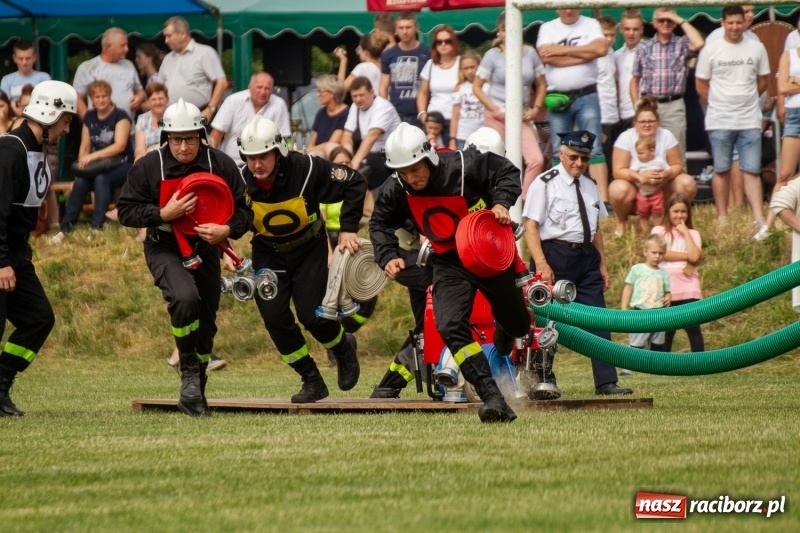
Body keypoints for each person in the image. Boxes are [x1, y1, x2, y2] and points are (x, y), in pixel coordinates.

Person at [370, 123, 530, 422]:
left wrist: (501, 201)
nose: (412, 178)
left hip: (487, 255)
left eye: (416, 169)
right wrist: (387, 255)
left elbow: (507, 171)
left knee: (519, 325)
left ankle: (506, 332)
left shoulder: (464, 165)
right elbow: (378, 224)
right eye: (404, 172)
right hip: (448, 262)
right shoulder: (397, 187)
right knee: (449, 326)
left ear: (429, 158)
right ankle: (492, 396)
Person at [116, 99, 252, 417]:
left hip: (207, 249)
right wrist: (162, 213)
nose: (183, 146)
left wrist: (226, 230)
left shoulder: (220, 163)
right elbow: (125, 211)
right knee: (185, 298)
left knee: (206, 322)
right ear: (166, 138)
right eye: (176, 139)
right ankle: (188, 370)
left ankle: (195, 392)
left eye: (190, 138)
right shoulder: (149, 166)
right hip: (164, 247)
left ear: (201, 136)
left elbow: (247, 211)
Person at [236, 116, 365, 403]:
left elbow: (355, 182)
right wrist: (226, 241)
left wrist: (348, 229)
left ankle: (343, 346)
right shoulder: (240, 180)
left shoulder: (306, 168)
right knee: (274, 318)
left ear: (278, 151)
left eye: (263, 157)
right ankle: (311, 379)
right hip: (267, 252)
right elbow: (228, 213)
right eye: (251, 157)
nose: (257, 165)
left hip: (308, 250)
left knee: (312, 316)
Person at [523, 130, 633, 398]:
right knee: (545, 320)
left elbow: (595, 228)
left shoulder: (590, 184)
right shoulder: (545, 183)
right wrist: (542, 264)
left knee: (598, 319)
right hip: (554, 255)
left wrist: (602, 263)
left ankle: (606, 382)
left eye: (584, 158)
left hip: (586, 259)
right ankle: (543, 379)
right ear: (561, 154)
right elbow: (530, 226)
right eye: (573, 157)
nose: (579, 163)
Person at [0, 80, 77, 416]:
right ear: (49, 116)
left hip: (17, 254)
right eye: (65, 120)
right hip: (3, 256)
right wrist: (2, 262)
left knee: (39, 318)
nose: (68, 128)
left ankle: (1, 383)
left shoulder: (35, 150)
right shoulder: (10, 150)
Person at [695, 5, 769, 228]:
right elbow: (700, 84)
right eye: (731, 23)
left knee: (751, 169)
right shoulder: (711, 49)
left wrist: (747, 100)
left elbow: (764, 80)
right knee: (721, 168)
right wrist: (719, 103)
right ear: (723, 23)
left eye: (739, 22)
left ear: (745, 22)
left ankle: (758, 218)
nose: (735, 27)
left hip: (749, 119)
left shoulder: (757, 48)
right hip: (719, 119)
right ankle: (722, 217)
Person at [537, 9, 610, 202]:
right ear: (556, 7)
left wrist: (561, 50)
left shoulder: (591, 24)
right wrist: (585, 53)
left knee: (594, 148)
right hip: (558, 97)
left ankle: (603, 201)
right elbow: (545, 56)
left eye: (572, 5)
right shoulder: (547, 27)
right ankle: (559, 197)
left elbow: (601, 50)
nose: (568, 10)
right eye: (564, 5)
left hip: (587, 93)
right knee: (558, 150)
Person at [51, 80, 133, 243]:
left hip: (122, 163)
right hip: (100, 166)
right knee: (81, 181)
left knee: (102, 178)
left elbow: (120, 145)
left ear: (110, 97)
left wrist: (93, 156)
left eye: (105, 96)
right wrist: (79, 173)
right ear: (92, 99)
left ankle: (97, 226)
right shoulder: (89, 116)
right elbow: (84, 148)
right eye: (97, 97)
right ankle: (65, 229)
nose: (101, 100)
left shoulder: (120, 116)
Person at [475, 11, 545, 199]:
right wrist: (494, 109)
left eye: (512, 28)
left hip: (521, 115)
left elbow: (541, 84)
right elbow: (477, 87)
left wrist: (535, 109)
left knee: (535, 160)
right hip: (497, 114)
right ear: (499, 32)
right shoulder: (492, 55)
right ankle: (494, 200)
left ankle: (521, 200)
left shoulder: (530, 53)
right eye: (504, 29)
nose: (509, 33)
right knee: (497, 160)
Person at [609, 97, 696, 236]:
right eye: (642, 122)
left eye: (651, 121)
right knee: (617, 189)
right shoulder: (625, 138)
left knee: (687, 183)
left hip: (662, 187)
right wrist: (639, 177)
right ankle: (622, 221)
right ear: (635, 123)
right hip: (636, 187)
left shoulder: (666, 135)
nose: (647, 125)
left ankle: (672, 220)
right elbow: (617, 171)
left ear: (658, 122)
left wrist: (666, 175)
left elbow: (678, 165)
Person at [630, 7, 704, 159]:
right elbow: (635, 79)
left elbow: (699, 43)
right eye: (661, 20)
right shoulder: (643, 46)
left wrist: (679, 19)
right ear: (654, 24)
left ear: (675, 23)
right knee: (647, 152)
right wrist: (637, 106)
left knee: (677, 153)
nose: (665, 23)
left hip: (674, 105)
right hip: (649, 104)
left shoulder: (682, 44)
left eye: (669, 20)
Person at [757, 44, 800, 240]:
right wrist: (789, 82)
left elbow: (788, 85)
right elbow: (782, 87)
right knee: (784, 174)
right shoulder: (788, 55)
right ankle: (768, 226)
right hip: (795, 115)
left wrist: (795, 81)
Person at [652, 192, 704, 352]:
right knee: (666, 330)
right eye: (676, 211)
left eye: (683, 211)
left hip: (689, 289)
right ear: (668, 211)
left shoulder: (694, 234)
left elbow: (696, 256)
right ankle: (660, 365)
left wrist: (686, 232)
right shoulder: (659, 231)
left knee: (693, 329)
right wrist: (688, 256)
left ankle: (700, 363)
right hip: (666, 289)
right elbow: (660, 252)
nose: (680, 215)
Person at [159, 16, 227, 124]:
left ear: (182, 34)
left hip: (197, 116)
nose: (166, 41)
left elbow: (222, 82)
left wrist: (210, 109)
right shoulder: (167, 58)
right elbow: (159, 87)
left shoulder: (205, 53)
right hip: (171, 117)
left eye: (169, 36)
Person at [210, 72, 290, 161]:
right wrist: (213, 162)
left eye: (267, 88)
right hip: (231, 163)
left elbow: (284, 139)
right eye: (259, 87)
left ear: (272, 90)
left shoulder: (279, 104)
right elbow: (216, 134)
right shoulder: (232, 101)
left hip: (265, 165)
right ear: (250, 87)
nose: (263, 92)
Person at [340, 77, 401, 192]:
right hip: (370, 155)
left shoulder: (382, 106)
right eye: (355, 96)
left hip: (390, 156)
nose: (358, 99)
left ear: (372, 93)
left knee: (369, 165)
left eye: (361, 95)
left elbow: (373, 135)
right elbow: (347, 134)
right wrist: (347, 155)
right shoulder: (355, 107)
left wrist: (354, 163)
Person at [72, 27, 144, 120]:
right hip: (100, 131)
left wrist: (139, 97)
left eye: (127, 45)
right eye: (122, 45)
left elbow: (140, 90)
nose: (127, 49)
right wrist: (89, 122)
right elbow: (77, 98)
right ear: (109, 46)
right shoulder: (87, 67)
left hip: (129, 130)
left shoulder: (129, 65)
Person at [620, 234, 671, 359]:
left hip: (659, 312)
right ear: (645, 252)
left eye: (661, 253)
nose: (657, 256)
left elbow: (667, 291)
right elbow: (628, 287)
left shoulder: (664, 273)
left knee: (658, 342)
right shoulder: (637, 269)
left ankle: (655, 366)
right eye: (654, 252)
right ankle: (629, 366)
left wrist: (668, 297)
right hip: (641, 311)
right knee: (637, 341)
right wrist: (624, 307)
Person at [379, 11, 431, 128]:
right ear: (396, 29)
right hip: (396, 113)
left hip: (421, 113)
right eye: (401, 28)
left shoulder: (428, 52)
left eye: (408, 27)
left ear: (416, 27)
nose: (405, 31)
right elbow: (383, 87)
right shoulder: (388, 54)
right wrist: (384, 111)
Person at [416, 24, 460, 147]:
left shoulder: (461, 63)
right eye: (439, 42)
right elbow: (423, 92)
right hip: (433, 121)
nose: (443, 44)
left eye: (447, 41)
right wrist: (422, 113)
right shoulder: (430, 64)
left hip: (456, 120)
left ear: (454, 43)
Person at [0, 39, 51, 117]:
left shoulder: (44, 77)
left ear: (34, 58)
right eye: (21, 58)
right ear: (14, 58)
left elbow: (46, 102)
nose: (24, 62)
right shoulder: (6, 80)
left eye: (28, 58)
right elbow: (4, 105)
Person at [597, 15, 620, 175]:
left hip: (613, 114)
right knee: (601, 156)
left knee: (612, 156)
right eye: (606, 34)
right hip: (600, 114)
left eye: (612, 35)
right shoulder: (593, 55)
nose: (609, 39)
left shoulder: (611, 52)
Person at [614, 9, 644, 135]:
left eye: (635, 29)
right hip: (622, 115)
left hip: (643, 114)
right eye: (627, 29)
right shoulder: (616, 55)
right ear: (621, 29)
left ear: (642, 30)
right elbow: (615, 87)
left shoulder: (649, 52)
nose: (631, 33)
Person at [306, 75, 349, 156]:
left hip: (333, 156)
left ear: (331, 93)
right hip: (315, 154)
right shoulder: (321, 113)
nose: (317, 95)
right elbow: (312, 142)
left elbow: (332, 143)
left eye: (320, 91)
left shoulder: (346, 113)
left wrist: (305, 151)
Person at [449, 50, 484, 151]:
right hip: (463, 135)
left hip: (482, 134)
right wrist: (452, 139)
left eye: (472, 67)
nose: (469, 71)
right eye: (466, 68)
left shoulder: (486, 87)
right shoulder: (459, 88)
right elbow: (455, 116)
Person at [632, 136, 668, 232]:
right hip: (643, 194)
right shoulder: (638, 162)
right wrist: (640, 177)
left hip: (656, 193)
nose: (638, 155)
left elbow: (669, 170)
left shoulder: (659, 161)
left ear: (652, 151)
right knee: (643, 215)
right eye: (637, 153)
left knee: (658, 213)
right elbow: (631, 172)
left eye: (641, 153)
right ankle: (644, 232)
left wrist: (663, 174)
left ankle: (658, 231)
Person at [133, 83, 169, 160]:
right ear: (148, 102)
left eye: (161, 98)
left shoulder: (173, 116)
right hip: (149, 157)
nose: (158, 102)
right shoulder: (142, 119)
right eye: (154, 99)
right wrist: (139, 158)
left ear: (167, 99)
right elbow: (140, 148)